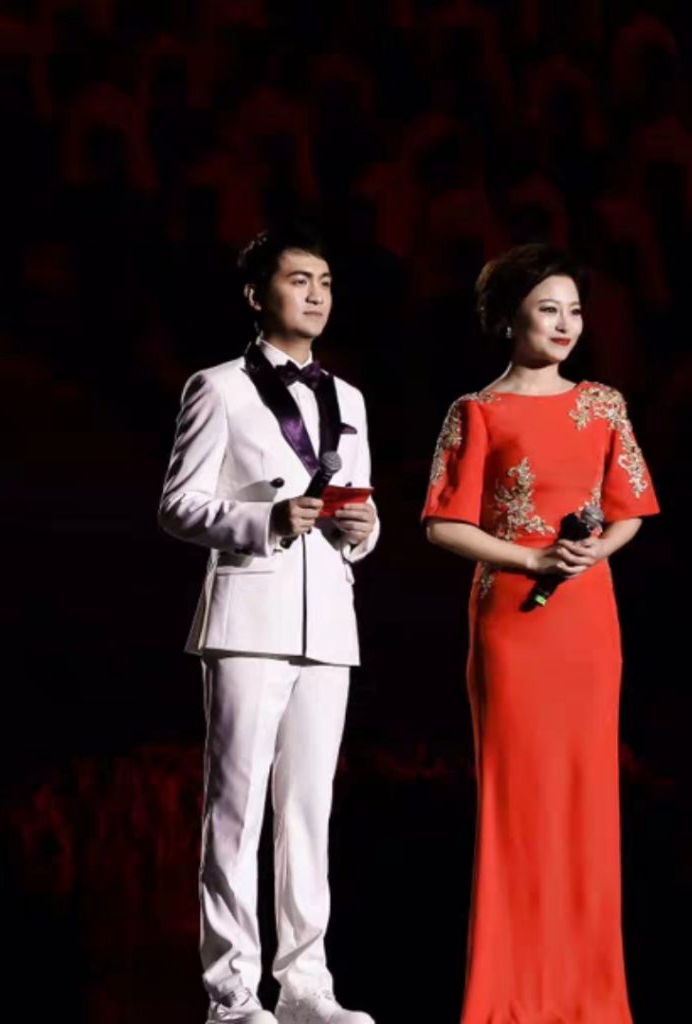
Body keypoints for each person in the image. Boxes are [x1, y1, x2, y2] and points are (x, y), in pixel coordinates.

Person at [422, 243, 660, 1023]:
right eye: (548, 309)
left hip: (588, 622)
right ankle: (509, 996)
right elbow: (443, 525)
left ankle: (590, 996)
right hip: (512, 626)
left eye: (575, 310)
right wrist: (530, 557)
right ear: (508, 318)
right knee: (517, 803)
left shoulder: (604, 404)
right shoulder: (477, 411)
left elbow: (630, 508)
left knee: (587, 800)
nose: (566, 324)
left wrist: (595, 551)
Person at [159, 223, 378, 1024]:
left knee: (309, 811)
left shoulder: (349, 396)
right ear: (257, 295)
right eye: (298, 280)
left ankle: (307, 987)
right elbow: (177, 505)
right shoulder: (217, 387)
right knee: (236, 808)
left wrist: (366, 530)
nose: (316, 295)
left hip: (329, 619)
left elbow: (361, 503)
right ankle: (231, 994)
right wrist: (266, 519)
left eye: (325, 282)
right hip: (249, 613)